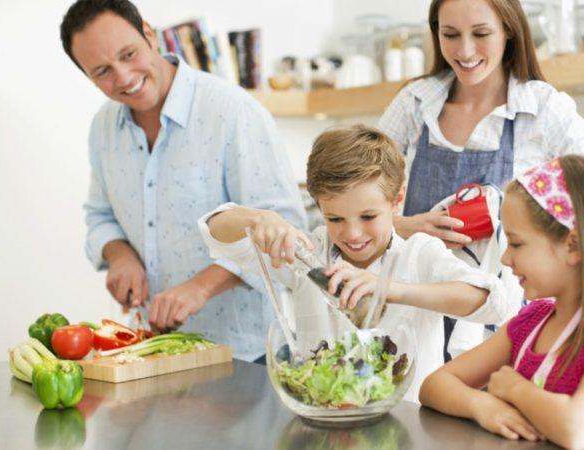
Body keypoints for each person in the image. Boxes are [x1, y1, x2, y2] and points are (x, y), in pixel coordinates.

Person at [377, 0, 584, 360]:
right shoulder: (414, 103)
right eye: (450, 35)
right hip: (415, 321)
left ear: (509, 30)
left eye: (481, 34)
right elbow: (354, 205)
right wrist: (405, 226)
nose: (465, 50)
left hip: (507, 333)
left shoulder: (544, 110)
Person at [60, 0, 306, 361]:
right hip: (154, 353)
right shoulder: (103, 129)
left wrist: (200, 288)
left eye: (128, 54)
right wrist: (120, 256)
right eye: (103, 71)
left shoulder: (233, 112)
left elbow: (285, 231)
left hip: (245, 355)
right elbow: (99, 215)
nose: (124, 77)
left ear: (148, 33)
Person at [199, 125, 515, 401]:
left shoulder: (418, 254)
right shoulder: (309, 254)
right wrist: (258, 219)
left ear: (397, 200)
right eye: (335, 218)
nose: (352, 233)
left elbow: (494, 303)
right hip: (327, 426)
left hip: (408, 431)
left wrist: (390, 289)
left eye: (368, 216)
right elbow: (214, 231)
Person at [419, 156, 584, 450]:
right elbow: (433, 385)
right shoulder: (531, 322)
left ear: (573, 246)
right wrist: (480, 405)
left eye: (517, 244)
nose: (505, 258)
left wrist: (514, 388)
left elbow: (578, 431)